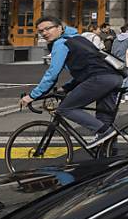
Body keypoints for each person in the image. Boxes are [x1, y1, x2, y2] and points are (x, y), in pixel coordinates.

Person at [19, 16, 122, 148]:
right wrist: (67, 87)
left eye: (47, 29)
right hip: (113, 77)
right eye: (41, 31)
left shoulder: (61, 44)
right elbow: (86, 68)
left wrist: (32, 96)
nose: (44, 33)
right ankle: (110, 156)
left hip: (99, 79)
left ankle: (104, 133)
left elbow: (52, 74)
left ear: (59, 28)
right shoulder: (77, 38)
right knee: (104, 120)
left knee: (65, 108)